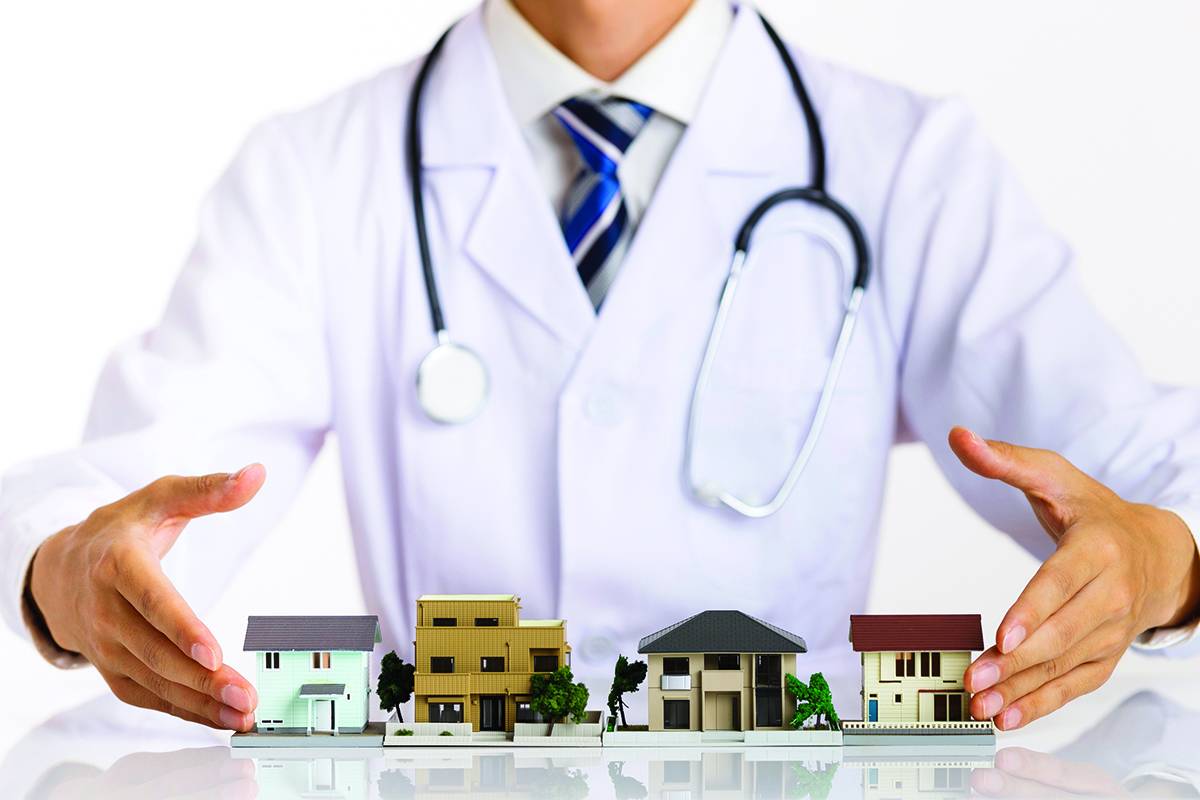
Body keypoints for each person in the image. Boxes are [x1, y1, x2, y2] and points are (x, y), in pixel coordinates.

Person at [3, 0, 1199, 736]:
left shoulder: (908, 166)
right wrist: (69, 573)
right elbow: (137, 501)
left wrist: (1159, 559)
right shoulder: (316, 174)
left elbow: (1151, 475)